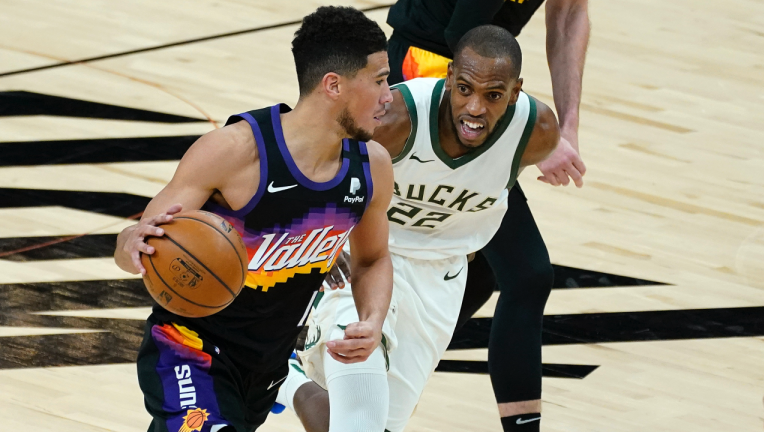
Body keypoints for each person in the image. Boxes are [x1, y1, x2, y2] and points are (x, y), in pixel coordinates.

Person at [113, 7, 395, 432]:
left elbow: (372, 259)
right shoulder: (234, 152)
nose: (389, 96)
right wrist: (131, 241)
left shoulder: (372, 167)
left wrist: (372, 320)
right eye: (379, 81)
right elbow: (136, 245)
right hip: (188, 350)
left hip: (268, 365)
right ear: (333, 85)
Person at [275, 25, 560, 432]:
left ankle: (288, 381)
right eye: (464, 89)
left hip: (440, 279)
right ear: (448, 79)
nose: (475, 108)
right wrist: (318, 241)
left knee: (376, 426)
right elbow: (311, 167)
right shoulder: (396, 120)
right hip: (362, 265)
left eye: (493, 95)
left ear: (516, 93)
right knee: (359, 422)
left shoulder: (537, 134)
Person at [386, 1, 590, 430]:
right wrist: (524, 126)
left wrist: (566, 127)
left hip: (482, 80)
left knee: (481, 268)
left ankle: (384, 362)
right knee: (527, 272)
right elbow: (465, 39)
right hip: (433, 74)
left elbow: (569, 14)